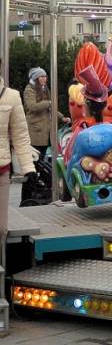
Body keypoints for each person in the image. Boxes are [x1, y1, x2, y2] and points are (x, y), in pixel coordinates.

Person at [0, 68, 37, 243]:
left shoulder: (11, 97)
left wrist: (28, 168)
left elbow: (20, 136)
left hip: (1, 168)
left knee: (1, 228)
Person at [22, 67, 66, 159]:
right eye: (41, 76)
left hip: (45, 130)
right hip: (35, 130)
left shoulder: (44, 89)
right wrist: (48, 103)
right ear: (35, 78)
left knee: (42, 158)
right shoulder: (29, 89)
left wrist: (62, 117)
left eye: (45, 76)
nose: (44, 78)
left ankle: (41, 173)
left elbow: (50, 107)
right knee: (34, 158)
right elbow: (32, 106)